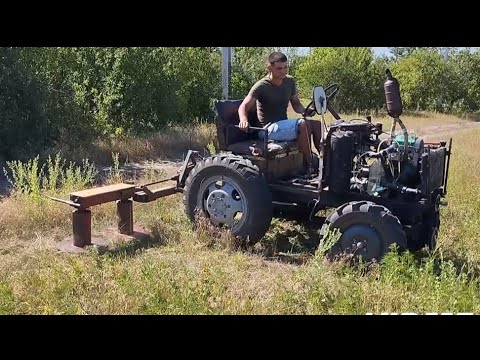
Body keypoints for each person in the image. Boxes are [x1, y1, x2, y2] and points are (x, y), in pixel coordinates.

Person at [237, 51, 321, 172]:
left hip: (283, 125)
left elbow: (296, 105)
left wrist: (306, 111)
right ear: (269, 67)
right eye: (279, 68)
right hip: (266, 130)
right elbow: (243, 106)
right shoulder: (261, 86)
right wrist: (243, 120)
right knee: (303, 125)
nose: (283, 71)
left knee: (316, 124)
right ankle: (310, 166)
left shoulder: (289, 82)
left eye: (285, 67)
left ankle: (325, 164)